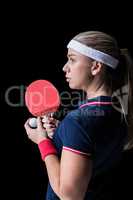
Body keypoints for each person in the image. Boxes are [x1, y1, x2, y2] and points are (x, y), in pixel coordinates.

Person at [24, 31, 133, 200]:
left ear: (96, 66)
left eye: (72, 59)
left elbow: (69, 196)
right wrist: (61, 133)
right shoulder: (118, 111)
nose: (64, 67)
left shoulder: (78, 120)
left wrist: (43, 142)